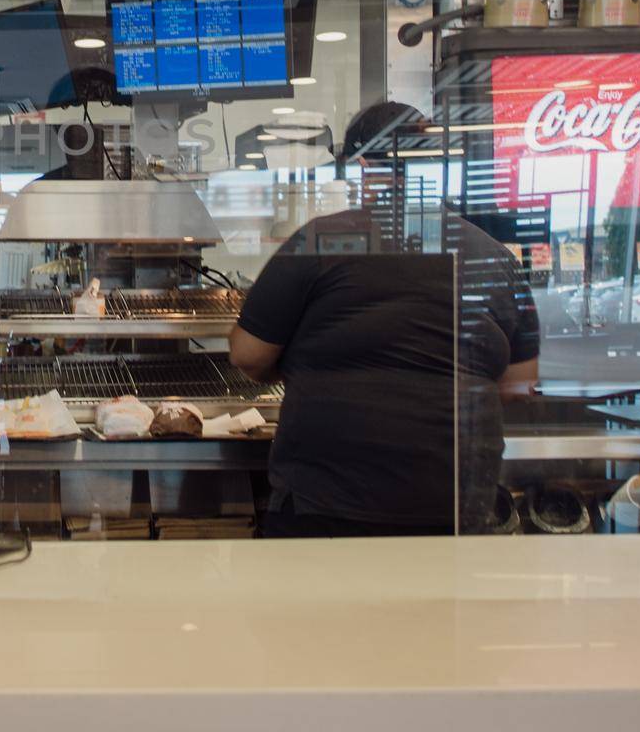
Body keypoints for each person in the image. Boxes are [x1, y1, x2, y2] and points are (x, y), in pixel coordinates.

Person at [229, 101, 539, 537]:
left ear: (362, 167)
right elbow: (520, 382)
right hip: (454, 507)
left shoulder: (322, 241)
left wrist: (312, 370)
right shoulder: (492, 255)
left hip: (328, 507)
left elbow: (248, 354)